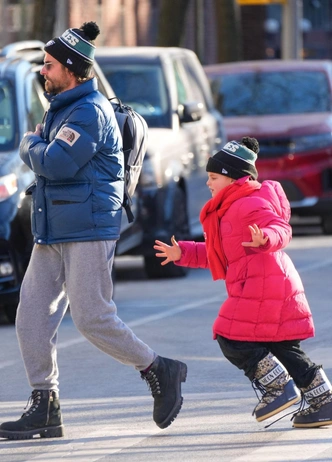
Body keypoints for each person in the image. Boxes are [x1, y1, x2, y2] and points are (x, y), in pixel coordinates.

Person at [0, 22, 187, 441]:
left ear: (70, 68)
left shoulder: (89, 111)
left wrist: (29, 146)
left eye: (48, 66)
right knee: (30, 316)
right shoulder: (61, 106)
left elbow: (56, 163)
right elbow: (50, 159)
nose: (42, 73)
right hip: (54, 227)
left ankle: (158, 368)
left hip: (87, 227)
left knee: (92, 317)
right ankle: (45, 405)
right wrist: (38, 145)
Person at [154, 136, 332, 428]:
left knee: (230, 335)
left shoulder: (249, 203)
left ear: (233, 177)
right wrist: (181, 252)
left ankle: (279, 389)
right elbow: (218, 254)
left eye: (213, 177)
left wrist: (266, 238)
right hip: (270, 286)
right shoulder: (229, 208)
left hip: (265, 285)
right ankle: (324, 400)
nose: (208, 183)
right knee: (284, 349)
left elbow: (280, 228)